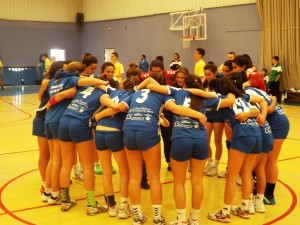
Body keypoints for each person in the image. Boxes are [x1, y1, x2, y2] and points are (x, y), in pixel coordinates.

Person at [146, 75, 214, 225]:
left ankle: (181, 220)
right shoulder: (206, 98)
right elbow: (227, 99)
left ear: (184, 84)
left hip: (181, 139)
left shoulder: (176, 91)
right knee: (197, 182)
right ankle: (194, 219)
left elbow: (152, 86)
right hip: (201, 140)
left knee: (179, 182)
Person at [206, 76, 268, 223]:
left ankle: (225, 212)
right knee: (246, 174)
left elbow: (206, 97)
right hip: (256, 134)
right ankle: (244, 208)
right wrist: (250, 114)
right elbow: (256, 107)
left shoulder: (220, 99)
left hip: (242, 134)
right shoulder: (242, 96)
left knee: (232, 177)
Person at [94, 68, 142, 219]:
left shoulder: (114, 92)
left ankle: (111, 207)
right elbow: (117, 109)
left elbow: (102, 95)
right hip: (115, 132)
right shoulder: (133, 96)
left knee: (106, 172)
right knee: (125, 172)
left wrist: (100, 114)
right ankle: (123, 207)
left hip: (100, 131)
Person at [202, 63, 225, 177]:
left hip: (218, 115)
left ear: (215, 73)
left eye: (209, 74)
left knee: (217, 140)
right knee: (205, 139)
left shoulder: (220, 83)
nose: (207, 76)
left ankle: (216, 165)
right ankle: (209, 162)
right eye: (205, 74)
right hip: (208, 114)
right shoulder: (204, 83)